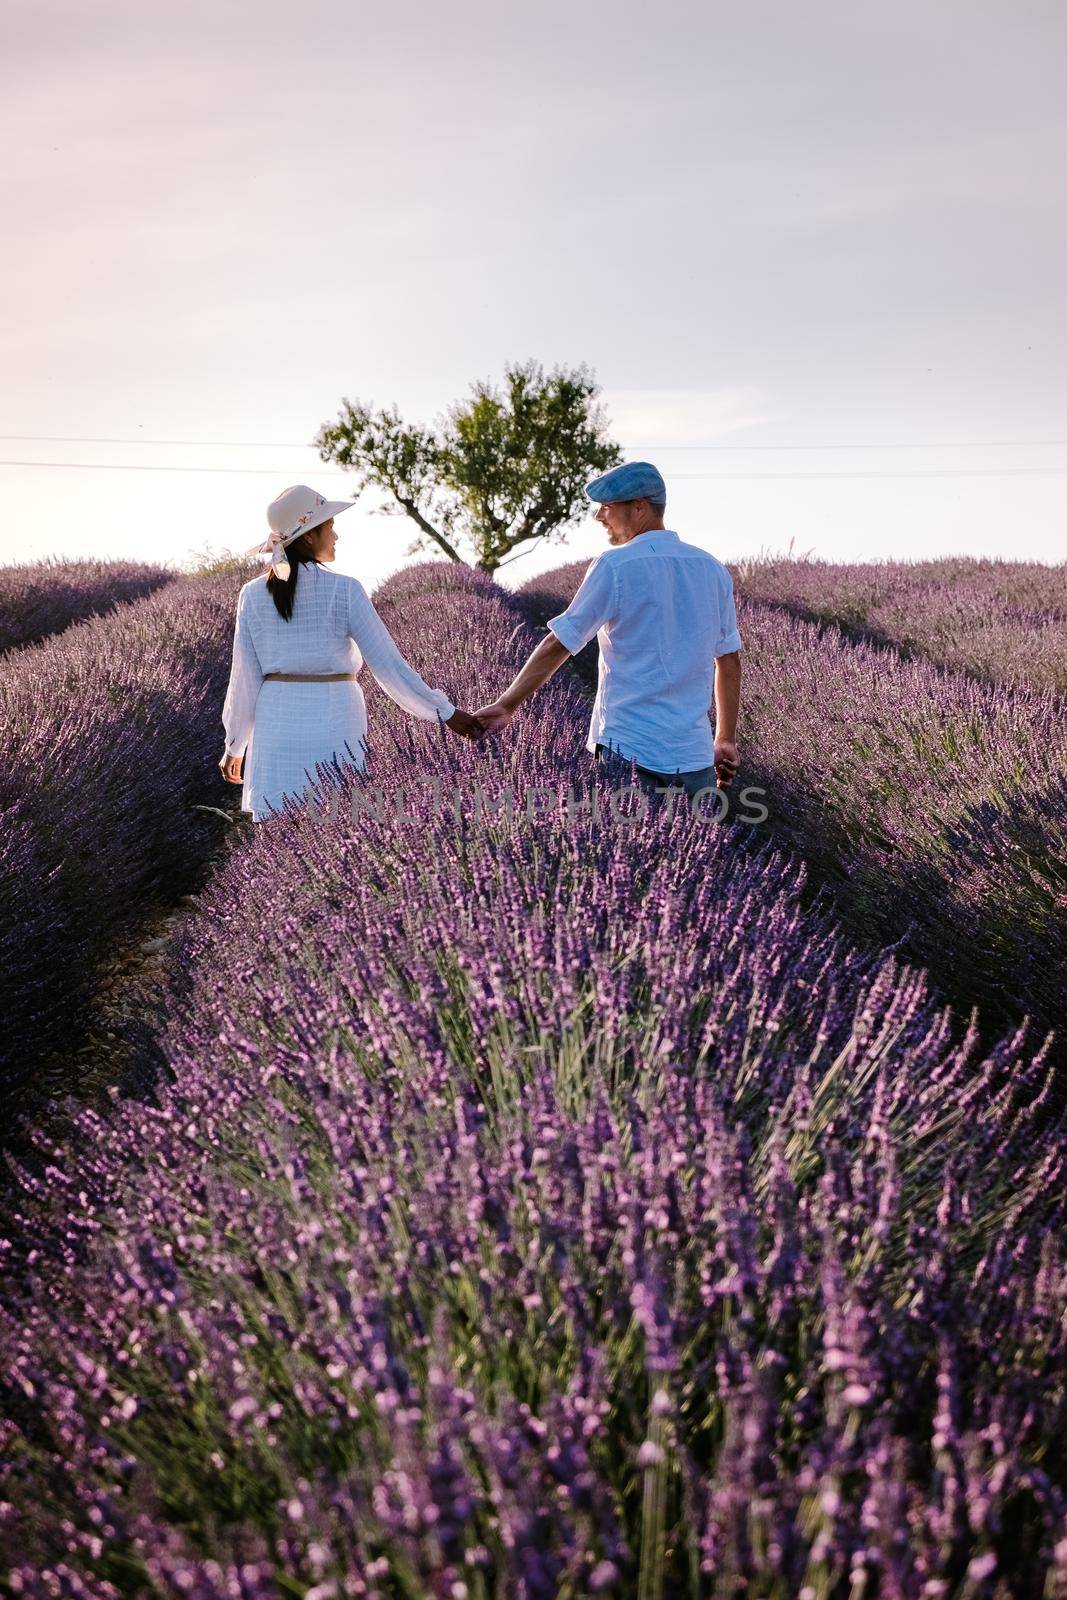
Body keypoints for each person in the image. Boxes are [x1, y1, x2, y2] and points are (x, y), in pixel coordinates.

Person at [474, 461, 742, 799]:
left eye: (607, 508)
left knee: (629, 850)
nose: (599, 517)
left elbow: (560, 643)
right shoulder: (712, 569)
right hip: (694, 756)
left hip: (629, 750)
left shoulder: (615, 566)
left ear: (639, 507)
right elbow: (728, 661)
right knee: (700, 851)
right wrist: (725, 739)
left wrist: (507, 704)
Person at [220, 484, 483, 821]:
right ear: (309, 536)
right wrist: (445, 712)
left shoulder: (252, 594)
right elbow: (389, 666)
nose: (336, 535)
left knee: (280, 824)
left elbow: (243, 679)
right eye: (329, 527)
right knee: (337, 822)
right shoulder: (345, 590)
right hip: (335, 717)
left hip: (276, 723)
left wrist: (235, 745)